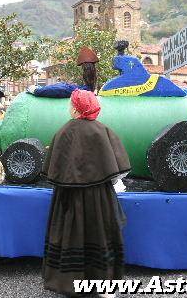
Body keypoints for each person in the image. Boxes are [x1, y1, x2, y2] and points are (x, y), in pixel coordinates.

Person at [42, 90, 130, 297]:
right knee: (100, 234)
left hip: (68, 198)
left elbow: (54, 169)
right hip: (99, 197)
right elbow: (116, 173)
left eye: (70, 104)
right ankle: (105, 285)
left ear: (75, 107)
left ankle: (69, 283)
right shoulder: (103, 131)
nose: (68, 108)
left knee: (70, 235)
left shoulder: (63, 132)